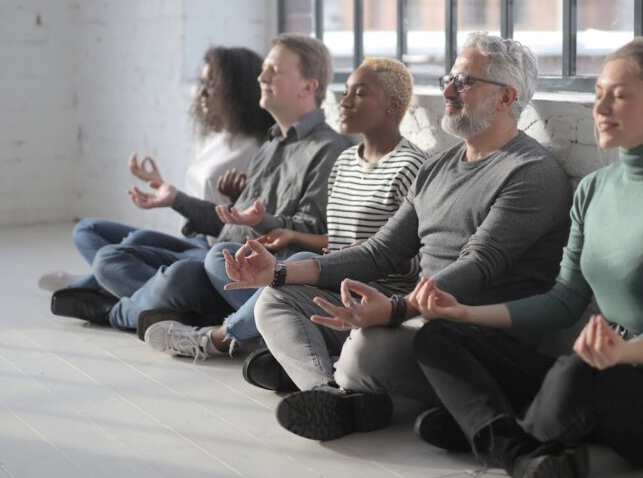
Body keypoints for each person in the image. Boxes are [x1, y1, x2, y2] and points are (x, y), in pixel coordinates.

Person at [409, 37, 643, 478]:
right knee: (438, 337)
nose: (601, 106)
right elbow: (563, 301)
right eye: (598, 92)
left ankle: (498, 432)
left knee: (576, 374)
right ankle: (522, 452)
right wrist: (465, 315)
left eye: (620, 94)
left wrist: (621, 353)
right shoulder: (594, 188)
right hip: (594, 365)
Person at [224, 33, 572, 441]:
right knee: (275, 301)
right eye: (449, 78)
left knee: (368, 346)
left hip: (469, 336)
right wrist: (279, 272)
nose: (447, 89)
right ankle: (331, 394)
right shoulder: (438, 166)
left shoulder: (531, 172)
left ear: (505, 97)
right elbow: (380, 251)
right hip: (414, 314)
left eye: (463, 82)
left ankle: (343, 380)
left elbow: (479, 265)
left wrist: (393, 310)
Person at [50, 34, 350, 332]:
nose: (262, 76)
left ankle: (117, 312)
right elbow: (230, 225)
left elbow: (312, 233)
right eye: (264, 68)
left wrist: (262, 222)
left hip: (249, 271)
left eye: (275, 71)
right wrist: (176, 199)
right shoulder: (271, 145)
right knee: (109, 258)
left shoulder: (328, 150)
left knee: (179, 274)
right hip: (218, 254)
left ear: (308, 87)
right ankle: (178, 308)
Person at [145, 57, 428, 361]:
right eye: (345, 91)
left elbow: (420, 256)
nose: (344, 102)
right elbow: (334, 239)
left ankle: (216, 339)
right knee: (221, 257)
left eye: (359, 94)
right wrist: (290, 235)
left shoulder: (413, 167)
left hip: (373, 293)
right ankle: (267, 335)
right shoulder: (345, 162)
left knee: (293, 268)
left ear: (392, 106)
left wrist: (371, 255)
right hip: (335, 276)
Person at [38, 46, 270, 293]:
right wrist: (163, 188)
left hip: (215, 250)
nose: (202, 92)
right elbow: (199, 200)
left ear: (237, 89)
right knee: (87, 230)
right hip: (193, 239)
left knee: (133, 245)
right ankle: (112, 281)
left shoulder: (256, 149)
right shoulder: (216, 137)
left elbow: (244, 224)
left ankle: (92, 284)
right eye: (201, 82)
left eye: (212, 84)